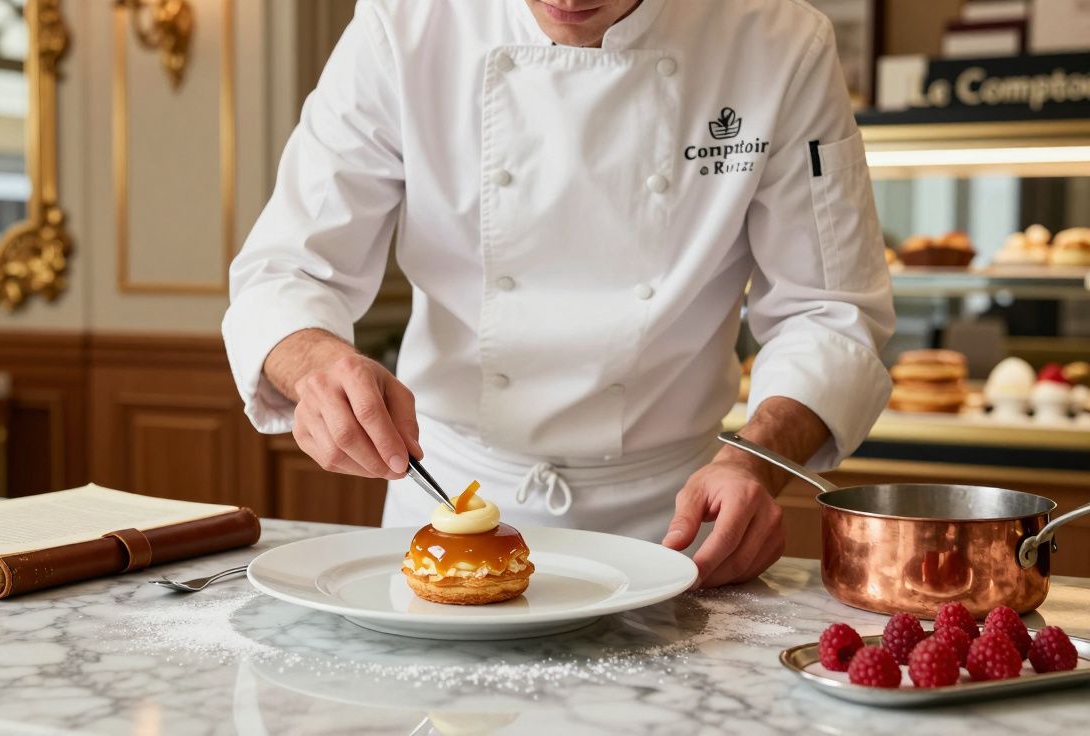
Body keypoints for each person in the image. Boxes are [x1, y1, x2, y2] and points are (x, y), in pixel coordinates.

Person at [224, 0, 894, 588]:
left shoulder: (778, 42)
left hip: (678, 523)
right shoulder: (403, 26)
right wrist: (315, 367)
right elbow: (285, 271)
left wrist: (757, 465)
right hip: (448, 505)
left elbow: (828, 309)